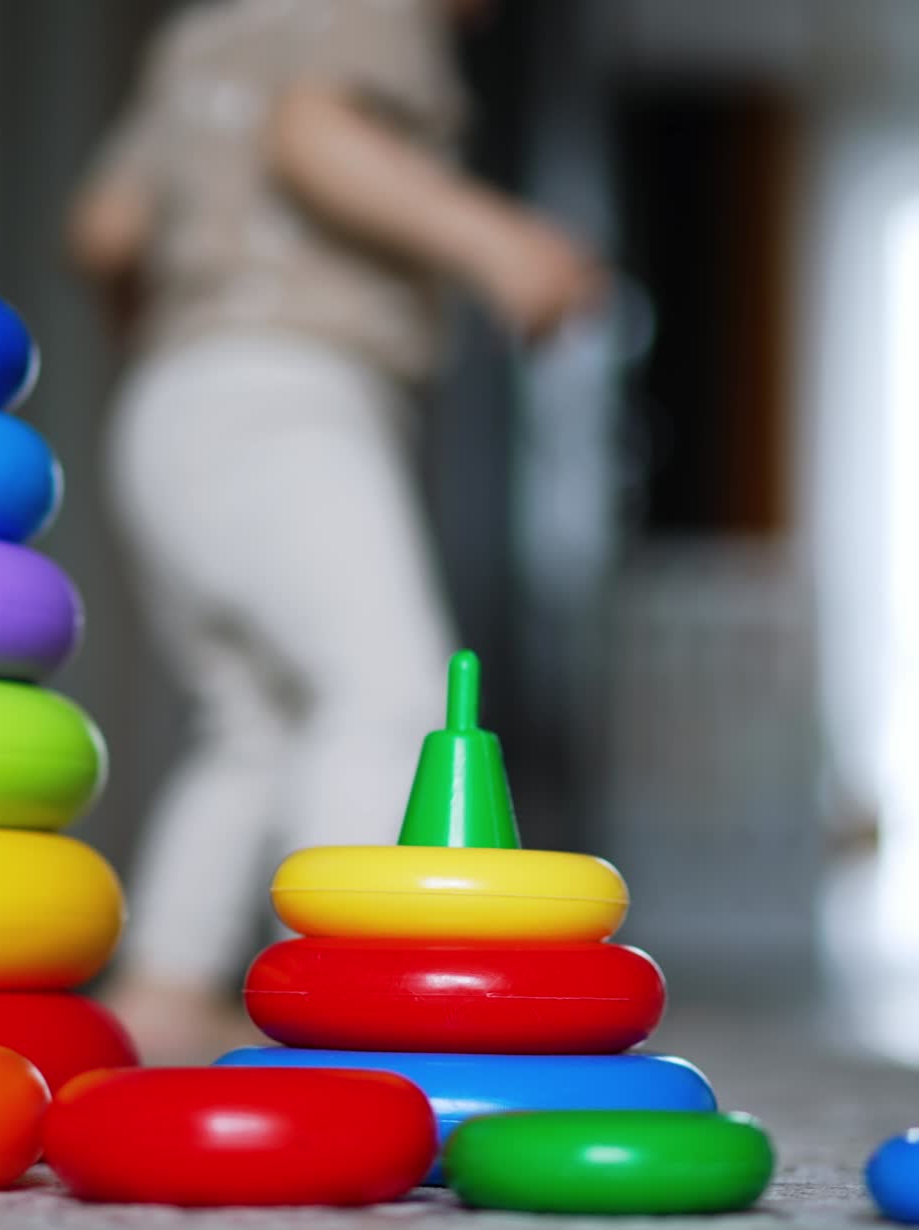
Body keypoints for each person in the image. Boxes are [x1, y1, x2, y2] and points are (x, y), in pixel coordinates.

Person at [68, 0, 605, 1062]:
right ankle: (332, 1005)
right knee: (386, 690)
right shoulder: (372, 15)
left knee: (253, 722)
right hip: (291, 393)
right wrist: (498, 242)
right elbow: (311, 136)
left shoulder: (201, 39)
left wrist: (183, 323)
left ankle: (165, 990)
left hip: (172, 400)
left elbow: (106, 229)